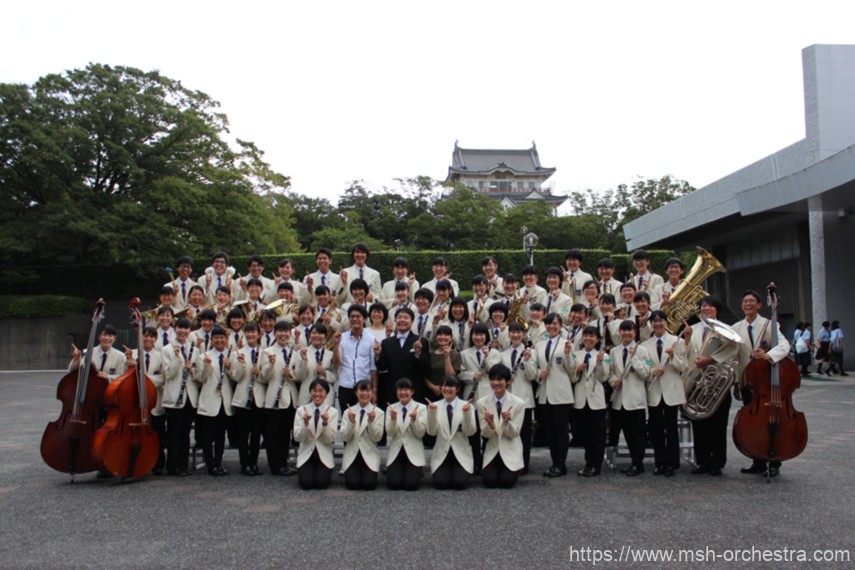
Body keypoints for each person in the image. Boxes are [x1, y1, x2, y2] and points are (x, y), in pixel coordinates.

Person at [731, 290, 793, 478]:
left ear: (759, 305)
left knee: (770, 421)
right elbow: (734, 357)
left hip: (766, 383)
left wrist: (768, 355)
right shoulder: (735, 327)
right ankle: (757, 460)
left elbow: (784, 345)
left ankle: (774, 461)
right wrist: (735, 382)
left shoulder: (770, 324)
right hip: (747, 381)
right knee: (753, 423)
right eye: (745, 301)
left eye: (751, 301)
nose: (748, 304)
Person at [682, 296, 738, 476]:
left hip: (717, 384)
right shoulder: (693, 329)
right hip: (698, 382)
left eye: (710, 307)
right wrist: (687, 339)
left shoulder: (726, 330)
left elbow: (733, 350)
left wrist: (710, 359)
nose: (706, 309)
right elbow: (685, 353)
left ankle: (717, 462)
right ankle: (702, 461)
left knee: (718, 425)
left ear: (717, 310)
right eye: (703, 307)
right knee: (698, 424)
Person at [641, 310, 687, 476]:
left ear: (666, 323)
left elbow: (684, 366)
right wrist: (653, 371)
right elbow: (646, 366)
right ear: (651, 324)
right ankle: (659, 462)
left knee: (671, 428)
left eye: (661, 321)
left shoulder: (677, 342)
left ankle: (672, 463)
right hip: (654, 391)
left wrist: (673, 356)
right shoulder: (645, 345)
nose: (658, 323)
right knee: (656, 429)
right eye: (654, 321)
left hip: (671, 391)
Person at [608, 320, 651, 476]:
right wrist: (614, 381)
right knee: (627, 433)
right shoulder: (614, 351)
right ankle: (633, 461)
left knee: (638, 434)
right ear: (620, 332)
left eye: (629, 330)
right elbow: (610, 371)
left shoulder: (643, 350)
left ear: (634, 332)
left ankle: (638, 463)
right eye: (623, 330)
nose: (626, 333)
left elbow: (647, 372)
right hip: (620, 399)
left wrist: (634, 359)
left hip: (635, 399)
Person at [535, 313, 575, 477]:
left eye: (555, 324)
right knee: (550, 430)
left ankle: (561, 463)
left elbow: (572, 370)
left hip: (561, 393)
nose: (552, 327)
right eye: (549, 324)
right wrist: (539, 373)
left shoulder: (567, 344)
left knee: (561, 430)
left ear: (561, 326)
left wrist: (566, 354)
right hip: (545, 393)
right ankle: (554, 462)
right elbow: (536, 365)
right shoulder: (539, 344)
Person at [124, 326, 166, 475]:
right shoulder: (132, 354)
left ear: (155, 339)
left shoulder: (161, 355)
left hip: (154, 401)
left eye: (151, 337)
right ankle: (134, 461)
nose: (148, 339)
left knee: (157, 433)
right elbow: (125, 376)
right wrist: (129, 363)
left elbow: (163, 377)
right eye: (145, 336)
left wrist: (145, 380)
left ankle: (158, 462)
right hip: (135, 402)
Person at [161, 317, 199, 477]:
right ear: (175, 329)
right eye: (180, 328)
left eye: (186, 328)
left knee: (185, 433)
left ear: (189, 331)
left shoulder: (194, 349)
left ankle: (183, 465)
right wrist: (178, 359)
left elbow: (198, 374)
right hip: (175, 396)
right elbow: (168, 373)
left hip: (189, 396)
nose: (183, 331)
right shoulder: (166, 350)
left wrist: (192, 370)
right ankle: (172, 466)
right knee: (174, 433)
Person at [194, 328, 235, 476]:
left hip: (224, 401)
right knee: (207, 436)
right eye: (216, 338)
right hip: (209, 400)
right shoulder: (204, 356)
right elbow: (200, 378)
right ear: (211, 340)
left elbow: (235, 377)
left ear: (226, 339)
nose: (219, 340)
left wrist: (230, 367)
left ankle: (218, 463)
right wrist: (206, 365)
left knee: (220, 435)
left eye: (222, 338)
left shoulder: (231, 355)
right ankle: (210, 465)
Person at [260, 321, 299, 476]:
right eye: (280, 331)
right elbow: (263, 377)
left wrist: (292, 375)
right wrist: (270, 365)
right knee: (272, 435)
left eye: (286, 331)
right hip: (274, 398)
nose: (283, 334)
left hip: (290, 398)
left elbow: (298, 376)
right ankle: (275, 466)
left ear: (290, 334)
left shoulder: (294, 353)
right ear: (275, 334)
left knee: (285, 435)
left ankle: (284, 463)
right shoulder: (267, 352)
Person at [426, 375, 477, 490]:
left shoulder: (467, 406)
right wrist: (432, 413)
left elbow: (470, 432)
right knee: (441, 484)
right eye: (445, 386)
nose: (447, 389)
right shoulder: (434, 406)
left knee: (459, 484)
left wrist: (467, 414)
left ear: (457, 389)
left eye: (451, 386)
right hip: (442, 453)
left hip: (460, 453)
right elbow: (431, 432)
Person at [479, 364, 525, 488]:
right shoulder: (482, 402)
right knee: (490, 482)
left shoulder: (519, 403)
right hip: (493, 448)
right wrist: (490, 425)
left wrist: (507, 422)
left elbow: (515, 433)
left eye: (500, 379)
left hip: (510, 447)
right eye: (493, 379)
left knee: (506, 482)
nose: (496, 383)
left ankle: (512, 469)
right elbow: (484, 433)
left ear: (508, 381)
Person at [571, 326, 609, 477]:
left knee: (598, 434)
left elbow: (603, 378)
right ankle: (588, 463)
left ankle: (596, 465)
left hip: (596, 399)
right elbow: (572, 378)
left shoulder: (603, 355)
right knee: (585, 434)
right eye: (586, 336)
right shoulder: (575, 355)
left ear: (597, 339)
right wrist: (578, 370)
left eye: (592, 336)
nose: (588, 338)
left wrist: (600, 363)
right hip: (581, 399)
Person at [501, 323, 537, 473]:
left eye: (519, 332)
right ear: (509, 334)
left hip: (525, 400)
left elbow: (532, 376)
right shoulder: (503, 354)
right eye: (513, 332)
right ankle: (510, 462)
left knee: (524, 435)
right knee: (508, 433)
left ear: (523, 334)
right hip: (508, 400)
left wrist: (527, 361)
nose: (516, 335)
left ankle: (524, 465)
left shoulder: (531, 353)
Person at [231, 323, 266, 476]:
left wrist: (259, 373)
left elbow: (267, 377)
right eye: (248, 332)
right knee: (243, 434)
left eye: (253, 332)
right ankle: (244, 464)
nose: (250, 335)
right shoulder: (236, 353)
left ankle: (254, 462)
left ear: (259, 334)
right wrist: (240, 364)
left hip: (258, 399)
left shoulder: (265, 353)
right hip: (242, 398)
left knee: (256, 434)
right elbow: (235, 377)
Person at [375, 308, 429, 405]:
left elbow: (425, 367)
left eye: (406, 317)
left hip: (414, 390)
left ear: (412, 321)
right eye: (399, 317)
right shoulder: (386, 342)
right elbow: (382, 367)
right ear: (395, 321)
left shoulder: (420, 341)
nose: (402, 320)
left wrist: (417, 353)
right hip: (392, 390)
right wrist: (378, 355)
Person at [293, 379, 338, 490]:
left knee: (321, 484)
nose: (317, 394)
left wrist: (325, 423)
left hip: (323, 454)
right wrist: (306, 424)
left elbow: (330, 439)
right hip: (307, 453)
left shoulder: (332, 412)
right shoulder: (301, 410)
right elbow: (298, 438)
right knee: (306, 484)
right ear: (310, 392)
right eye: (314, 390)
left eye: (321, 391)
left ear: (326, 393)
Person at [340, 380, 384, 490]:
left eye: (368, 390)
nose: (365, 393)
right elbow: (344, 437)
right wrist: (351, 422)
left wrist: (372, 422)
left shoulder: (378, 412)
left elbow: (377, 438)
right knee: (352, 484)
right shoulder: (348, 412)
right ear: (356, 392)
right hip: (352, 453)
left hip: (369, 453)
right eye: (362, 390)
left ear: (372, 393)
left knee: (368, 485)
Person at [332, 305, 379, 408]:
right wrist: (336, 345)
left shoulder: (371, 340)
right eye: (352, 317)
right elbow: (336, 365)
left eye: (358, 316)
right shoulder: (341, 338)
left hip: (364, 388)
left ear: (365, 319)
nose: (355, 319)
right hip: (345, 386)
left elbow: (373, 368)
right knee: (347, 419)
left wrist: (374, 391)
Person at [385, 378, 427, 491]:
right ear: (396, 391)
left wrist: (414, 420)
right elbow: (390, 433)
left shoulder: (421, 408)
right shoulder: (391, 408)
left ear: (412, 391)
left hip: (414, 450)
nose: (403, 392)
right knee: (393, 484)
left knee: (411, 485)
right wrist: (393, 420)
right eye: (400, 390)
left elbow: (420, 433)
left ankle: (416, 471)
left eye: (406, 389)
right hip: (397, 451)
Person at [293, 323, 337, 407]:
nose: (316, 335)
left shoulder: (331, 354)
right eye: (313, 333)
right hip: (306, 395)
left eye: (320, 333)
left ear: (325, 336)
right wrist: (304, 361)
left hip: (326, 397)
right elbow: (299, 376)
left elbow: (336, 376)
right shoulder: (301, 352)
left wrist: (324, 372)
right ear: (309, 335)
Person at [426, 325, 462, 399]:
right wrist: (432, 387)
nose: (443, 337)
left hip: (449, 392)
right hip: (432, 393)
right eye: (440, 334)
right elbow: (424, 376)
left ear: (451, 338)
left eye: (446, 335)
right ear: (436, 337)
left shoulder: (456, 354)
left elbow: (451, 376)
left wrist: (447, 356)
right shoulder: (430, 354)